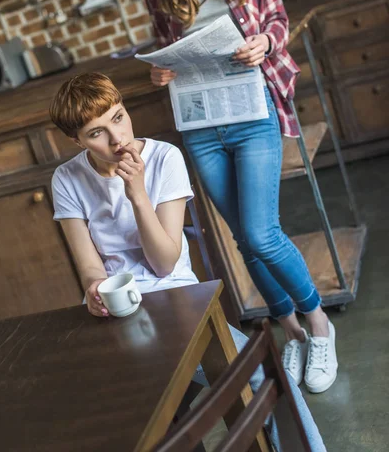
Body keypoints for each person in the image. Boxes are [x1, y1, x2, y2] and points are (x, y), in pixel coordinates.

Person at [49, 71, 326, 452]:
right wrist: (95, 288)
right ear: (75, 140)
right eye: (96, 132)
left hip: (179, 303)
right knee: (144, 421)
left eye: (117, 117)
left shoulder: (165, 158)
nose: (117, 138)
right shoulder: (66, 178)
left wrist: (137, 194)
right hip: (119, 320)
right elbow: (90, 267)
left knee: (266, 376)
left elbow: (164, 264)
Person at [140, 0, 338, 395]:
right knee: (241, 237)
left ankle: (319, 324)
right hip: (202, 125)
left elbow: (276, 17)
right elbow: (168, 46)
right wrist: (160, 73)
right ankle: (290, 330)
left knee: (261, 232)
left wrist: (265, 43)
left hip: (253, 113)